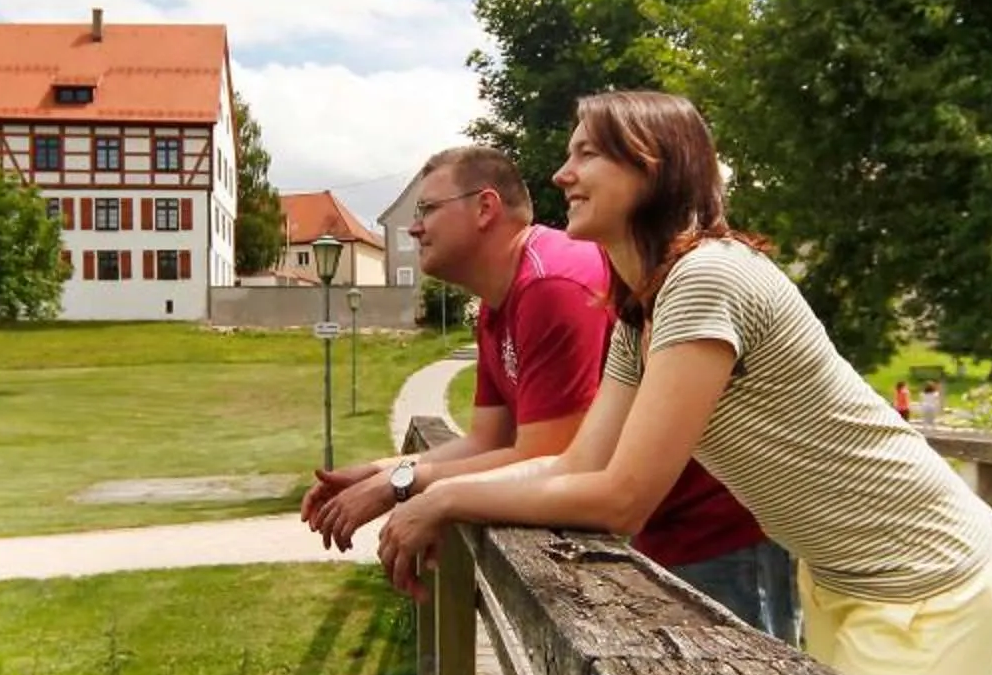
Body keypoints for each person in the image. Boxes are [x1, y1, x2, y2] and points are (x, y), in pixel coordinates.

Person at [377, 92, 992, 675]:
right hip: (839, 579)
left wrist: (447, 497)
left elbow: (622, 499)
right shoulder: (639, 308)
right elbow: (577, 463)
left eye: (587, 154)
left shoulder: (707, 277)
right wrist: (439, 492)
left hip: (929, 584)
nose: (561, 175)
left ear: (652, 166)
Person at [301, 143, 797, 638]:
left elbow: (547, 454)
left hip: (719, 534)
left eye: (427, 209)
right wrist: (382, 472)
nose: (414, 227)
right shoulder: (500, 303)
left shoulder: (553, 284)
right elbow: (489, 442)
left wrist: (409, 487)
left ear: (485, 208)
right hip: (658, 528)